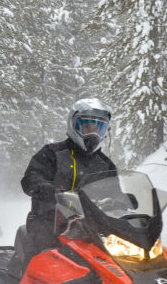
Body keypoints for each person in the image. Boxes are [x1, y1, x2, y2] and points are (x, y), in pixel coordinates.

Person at [20, 98, 117, 258]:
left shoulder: (105, 164)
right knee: (47, 255)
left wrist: (124, 200)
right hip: (49, 220)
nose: (93, 133)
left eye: (98, 128)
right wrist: (45, 188)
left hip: (91, 225)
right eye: (87, 126)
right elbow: (31, 177)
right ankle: (33, 280)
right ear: (74, 125)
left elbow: (115, 191)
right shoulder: (52, 153)